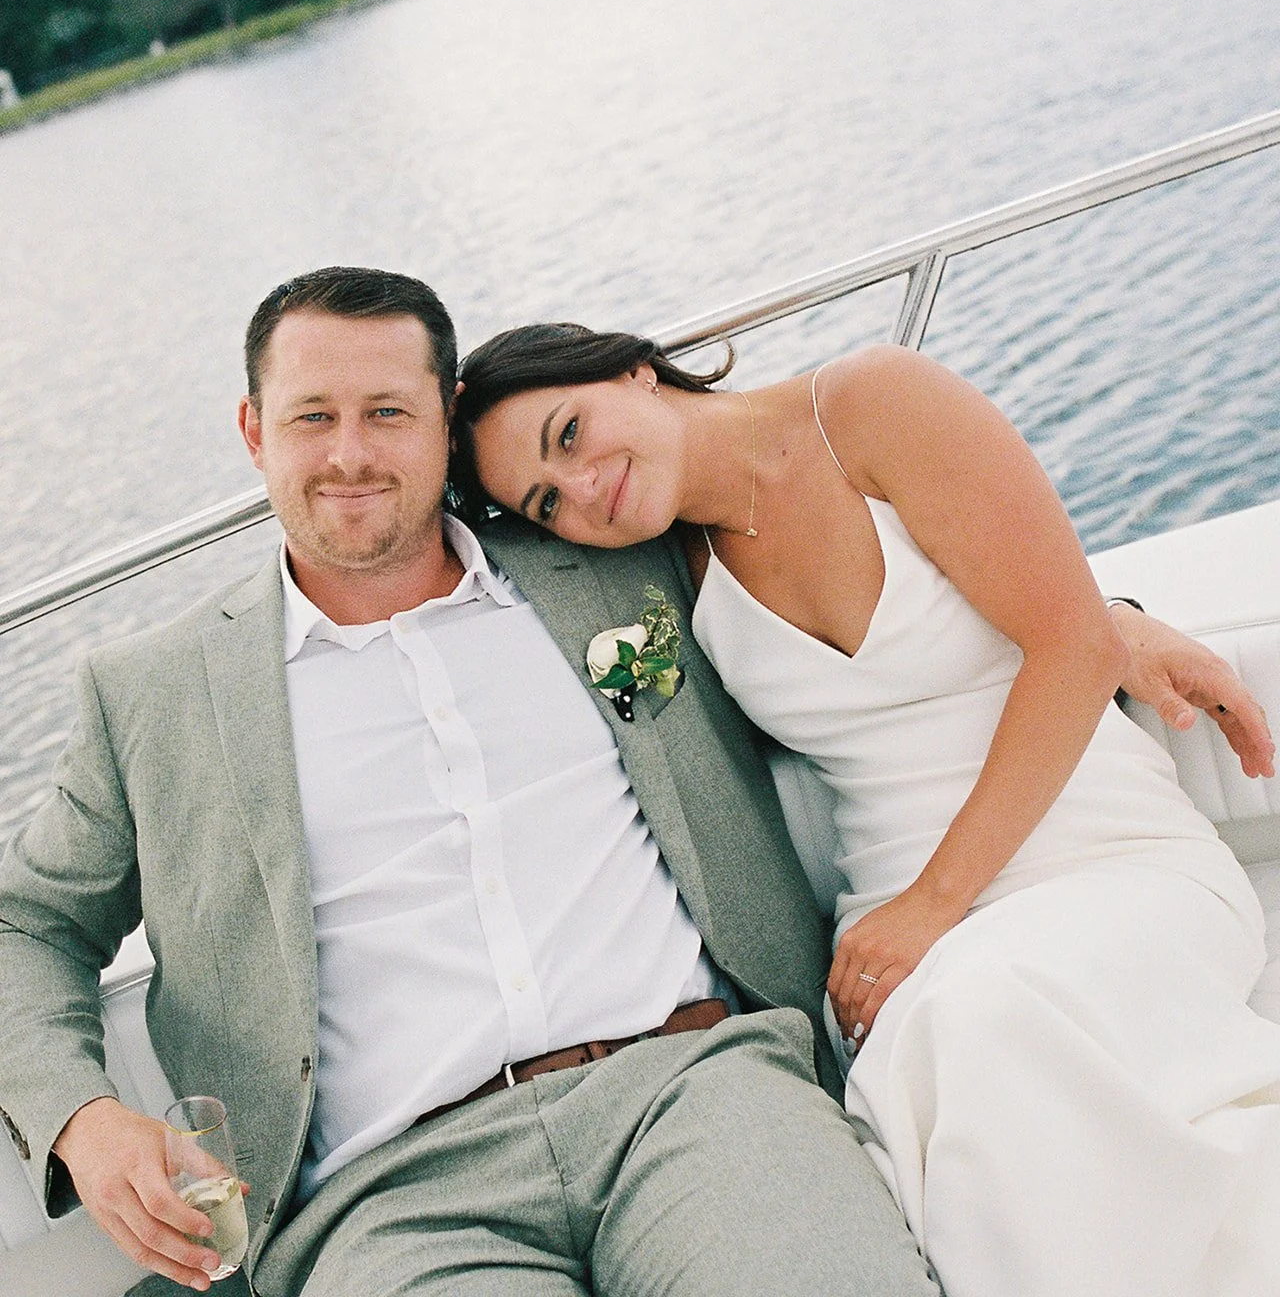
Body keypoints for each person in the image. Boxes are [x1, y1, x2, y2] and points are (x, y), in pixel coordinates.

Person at [0, 271, 1260, 1297]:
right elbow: (23, 922)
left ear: (443, 419)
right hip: (395, 1194)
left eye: (387, 412)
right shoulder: (151, 694)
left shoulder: (603, 561)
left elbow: (858, 557)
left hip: (697, 1095)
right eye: (310, 417)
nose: (350, 454)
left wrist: (1106, 621)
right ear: (251, 430)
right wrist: (83, 1120)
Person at [452, 320, 1280, 1297]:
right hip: (893, 934)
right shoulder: (661, 578)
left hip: (1096, 849)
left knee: (982, 1022)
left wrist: (1117, 623)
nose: (584, 487)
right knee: (953, 1055)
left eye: (569, 434)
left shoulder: (869, 403)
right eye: (547, 501)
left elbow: (1072, 645)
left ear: (631, 371)